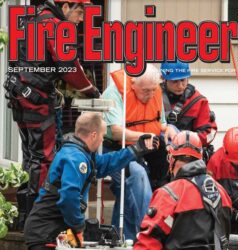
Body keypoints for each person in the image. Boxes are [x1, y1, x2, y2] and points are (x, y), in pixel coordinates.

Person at [4, 0, 101, 228]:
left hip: (21, 96)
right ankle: (38, 218)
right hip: (36, 101)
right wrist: (89, 89)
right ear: (65, 6)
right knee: (44, 158)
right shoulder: (55, 26)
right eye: (80, 12)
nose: (82, 19)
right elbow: (69, 67)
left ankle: (25, 216)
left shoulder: (33, 19)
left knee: (31, 156)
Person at [23, 112, 159, 250]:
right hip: (45, 232)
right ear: (94, 135)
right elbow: (69, 196)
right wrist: (79, 227)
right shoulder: (75, 158)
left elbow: (107, 163)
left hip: (60, 229)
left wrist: (136, 149)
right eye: (102, 135)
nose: (102, 140)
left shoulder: (81, 154)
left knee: (79, 246)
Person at [101, 64, 176, 240]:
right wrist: (145, 135)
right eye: (145, 91)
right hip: (114, 150)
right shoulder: (115, 93)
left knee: (153, 178)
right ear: (133, 83)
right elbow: (117, 131)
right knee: (137, 176)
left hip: (141, 150)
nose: (150, 95)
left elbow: (161, 125)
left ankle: (124, 238)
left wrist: (171, 129)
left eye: (153, 90)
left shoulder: (154, 91)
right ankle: (148, 233)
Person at [134, 131, 232, 250]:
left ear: (170, 158)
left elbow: (149, 243)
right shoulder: (222, 193)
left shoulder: (168, 194)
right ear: (201, 157)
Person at [160, 60, 217, 162]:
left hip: (188, 155)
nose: (180, 85)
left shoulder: (199, 101)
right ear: (164, 79)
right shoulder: (153, 95)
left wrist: (184, 140)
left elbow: (209, 133)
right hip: (159, 152)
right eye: (175, 81)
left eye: (183, 80)